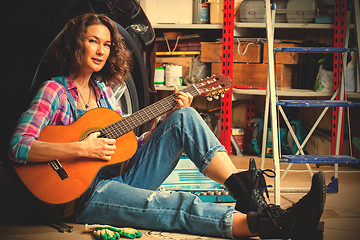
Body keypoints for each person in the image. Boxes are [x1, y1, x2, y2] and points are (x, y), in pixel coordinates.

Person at [9, 13, 326, 239]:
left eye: (106, 44)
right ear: (77, 45)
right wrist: (81, 147)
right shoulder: (55, 90)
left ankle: (246, 191)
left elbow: (129, 142)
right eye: (93, 41)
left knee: (184, 118)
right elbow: (18, 147)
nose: (101, 50)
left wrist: (166, 117)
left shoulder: (104, 92)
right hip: (84, 195)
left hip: (124, 173)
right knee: (172, 204)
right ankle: (273, 223)